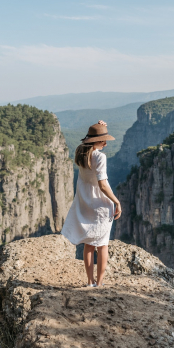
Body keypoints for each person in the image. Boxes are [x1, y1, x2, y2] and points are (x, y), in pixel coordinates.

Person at [61, 120, 122, 287]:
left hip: (85, 202)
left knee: (88, 245)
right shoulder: (99, 157)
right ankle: (100, 283)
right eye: (103, 140)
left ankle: (90, 281)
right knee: (102, 245)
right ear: (96, 141)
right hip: (100, 204)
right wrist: (116, 201)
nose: (105, 143)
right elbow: (102, 184)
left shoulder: (81, 152)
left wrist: (98, 126)